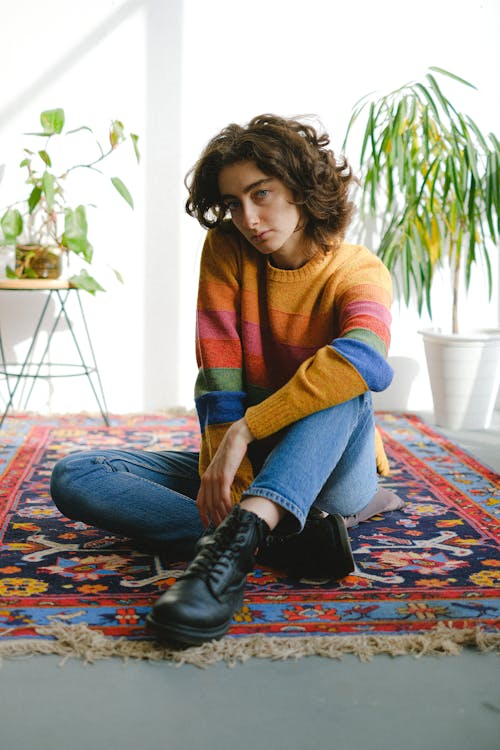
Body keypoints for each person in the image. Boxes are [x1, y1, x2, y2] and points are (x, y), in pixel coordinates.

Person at [50, 114, 403, 647]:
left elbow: (368, 361)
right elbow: (218, 374)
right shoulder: (226, 250)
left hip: (333, 468)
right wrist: (227, 456)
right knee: (77, 474)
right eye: (234, 203)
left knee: (343, 378)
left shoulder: (358, 269)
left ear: (303, 189)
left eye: (262, 194)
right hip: (255, 459)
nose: (249, 217)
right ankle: (268, 536)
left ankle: (231, 547)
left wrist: (246, 431)